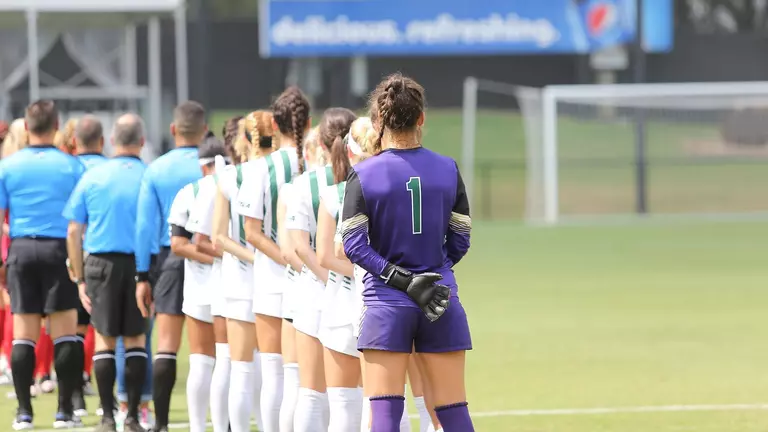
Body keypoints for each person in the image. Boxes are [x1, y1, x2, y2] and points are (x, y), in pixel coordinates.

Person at [340, 73, 472, 432]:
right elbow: (460, 239)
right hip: (440, 298)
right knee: (454, 412)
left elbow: (353, 245)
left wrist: (402, 280)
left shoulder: (363, 174)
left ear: (378, 120)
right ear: (421, 118)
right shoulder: (448, 168)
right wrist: (432, 270)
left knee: (385, 416)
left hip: (386, 304)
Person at [0, 100, 86, 429]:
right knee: (65, 334)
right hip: (58, 250)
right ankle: (65, 412)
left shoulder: (7, 167)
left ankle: (24, 413)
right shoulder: (72, 166)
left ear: (26, 124)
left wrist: (1, 261)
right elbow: (80, 221)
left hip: (21, 250)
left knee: (24, 335)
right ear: (56, 126)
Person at [63, 113, 149, 432]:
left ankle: (107, 417)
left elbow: (74, 230)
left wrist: (79, 276)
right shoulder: (147, 175)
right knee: (137, 339)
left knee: (104, 340)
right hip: (140, 263)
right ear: (142, 141)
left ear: (112, 141)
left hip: (100, 263)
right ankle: (132, 417)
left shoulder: (93, 176)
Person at [235, 88, 308, 432]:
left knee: (274, 371)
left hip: (272, 277)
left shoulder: (261, 167)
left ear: (274, 125)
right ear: (307, 122)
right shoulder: (322, 158)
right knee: (307, 376)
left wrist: (283, 257)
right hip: (315, 277)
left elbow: (251, 231)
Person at [135, 101, 207, 432]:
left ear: (173, 130)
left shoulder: (156, 169)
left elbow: (144, 229)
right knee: (217, 346)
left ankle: (160, 425)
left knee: (166, 345)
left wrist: (142, 275)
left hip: (170, 258)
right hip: (212, 257)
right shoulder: (217, 167)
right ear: (205, 131)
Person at [287, 107, 356, 431]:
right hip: (359, 291)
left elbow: (300, 245)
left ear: (323, 143)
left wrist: (327, 276)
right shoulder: (365, 178)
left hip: (316, 292)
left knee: (312, 393)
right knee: (364, 395)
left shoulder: (305, 184)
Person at [315, 117, 378, 432]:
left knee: (342, 407)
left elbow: (326, 254)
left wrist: (357, 270)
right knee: (386, 403)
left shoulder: (335, 193)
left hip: (341, 304)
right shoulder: (392, 185)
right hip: (385, 302)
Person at [168, 135, 228, 432]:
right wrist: (221, 260)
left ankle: (197, 427)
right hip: (230, 284)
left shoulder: (187, 192)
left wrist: (209, 258)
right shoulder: (234, 184)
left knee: (202, 361)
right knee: (231, 362)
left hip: (198, 287)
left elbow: (178, 244)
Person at [277, 126, 319, 432]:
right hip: (335, 289)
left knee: (301, 384)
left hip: (301, 290)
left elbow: (288, 251)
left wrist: (316, 275)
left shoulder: (294, 188)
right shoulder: (355, 185)